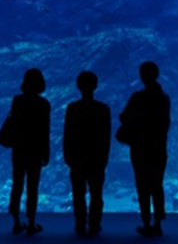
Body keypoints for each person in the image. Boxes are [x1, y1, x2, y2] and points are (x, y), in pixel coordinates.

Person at [118, 61, 171, 237]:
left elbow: (123, 117)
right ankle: (158, 223)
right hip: (158, 148)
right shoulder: (164, 98)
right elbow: (165, 125)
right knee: (157, 184)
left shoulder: (137, 97)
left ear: (142, 76)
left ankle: (146, 221)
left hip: (140, 147)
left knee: (142, 184)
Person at [64, 70, 111, 237]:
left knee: (78, 193)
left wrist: (67, 156)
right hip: (97, 157)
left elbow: (67, 134)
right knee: (96, 193)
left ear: (78, 86)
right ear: (96, 86)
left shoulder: (72, 108)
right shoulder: (103, 109)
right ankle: (94, 224)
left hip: (77, 157)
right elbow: (106, 136)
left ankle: (80, 224)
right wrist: (105, 157)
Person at [6, 68, 50, 236]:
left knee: (17, 186)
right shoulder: (44, 104)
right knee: (33, 188)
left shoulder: (17, 100)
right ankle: (31, 224)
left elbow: (14, 124)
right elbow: (45, 132)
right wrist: (46, 154)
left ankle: (16, 222)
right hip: (36, 150)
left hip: (19, 149)